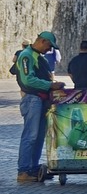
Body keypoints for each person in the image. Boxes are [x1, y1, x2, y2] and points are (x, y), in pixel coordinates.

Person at [15, 31, 64, 182]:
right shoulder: (26, 55)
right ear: (42, 41)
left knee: (38, 137)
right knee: (30, 136)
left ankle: (33, 168)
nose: (49, 50)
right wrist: (50, 85)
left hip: (41, 100)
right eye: (49, 46)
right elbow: (28, 80)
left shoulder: (39, 57)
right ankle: (23, 171)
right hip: (32, 99)